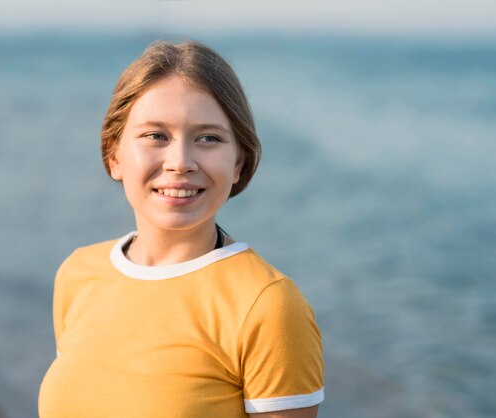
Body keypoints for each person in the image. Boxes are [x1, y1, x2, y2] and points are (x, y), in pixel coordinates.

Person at [39, 39, 324, 418]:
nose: (179, 162)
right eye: (156, 135)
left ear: (238, 163)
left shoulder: (268, 307)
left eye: (209, 138)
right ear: (114, 155)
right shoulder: (79, 273)